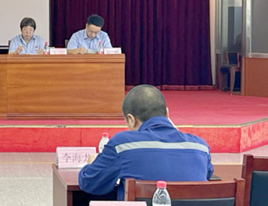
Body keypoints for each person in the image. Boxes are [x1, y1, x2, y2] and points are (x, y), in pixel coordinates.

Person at [78, 85, 213, 199]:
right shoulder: (200, 146)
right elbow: (207, 174)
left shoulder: (123, 144)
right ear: (167, 114)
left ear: (131, 119)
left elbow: (89, 183)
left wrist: (92, 162)